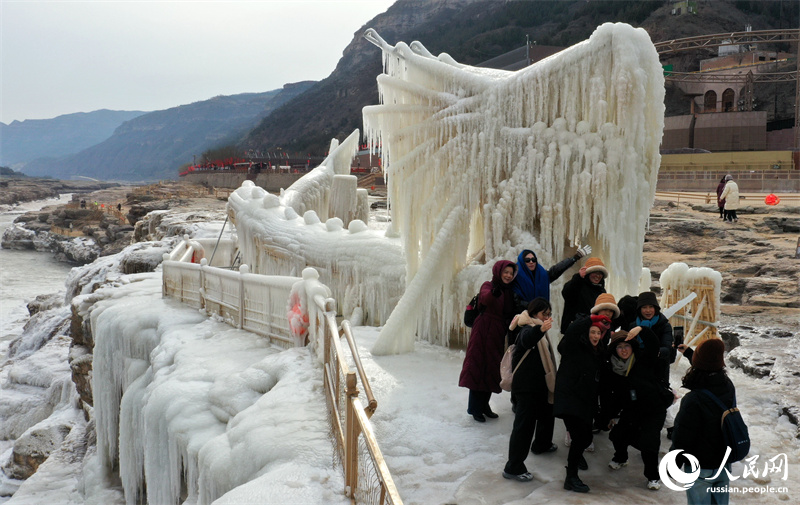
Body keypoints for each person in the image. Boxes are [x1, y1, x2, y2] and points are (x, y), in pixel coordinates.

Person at [599, 328, 673, 491]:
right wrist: (610, 416)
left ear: (633, 347)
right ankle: (621, 457)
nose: (624, 350)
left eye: (627, 346)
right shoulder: (613, 368)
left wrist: (642, 329)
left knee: (649, 444)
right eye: (619, 347)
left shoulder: (643, 360)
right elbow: (611, 395)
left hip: (654, 409)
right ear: (614, 350)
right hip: (632, 410)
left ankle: (653, 477)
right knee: (617, 435)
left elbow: (653, 345)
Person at [671, 338, 736, 505]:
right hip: (723, 462)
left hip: (700, 465)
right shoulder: (728, 386)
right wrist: (689, 352)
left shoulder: (694, 398)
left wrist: (674, 463)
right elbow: (708, 364)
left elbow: (683, 435)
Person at [554, 313, 611, 493]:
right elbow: (571, 331)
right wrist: (592, 317)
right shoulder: (574, 347)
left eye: (598, 333)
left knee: (585, 437)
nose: (595, 336)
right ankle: (571, 477)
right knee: (580, 437)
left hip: (585, 402)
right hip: (570, 399)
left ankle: (574, 463)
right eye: (592, 332)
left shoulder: (599, 352)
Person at [502, 298, 558, 482]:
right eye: (544, 314)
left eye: (549, 314)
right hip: (526, 388)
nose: (547, 317)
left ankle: (541, 444)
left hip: (537, 385)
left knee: (546, 414)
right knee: (523, 427)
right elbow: (526, 340)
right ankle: (513, 467)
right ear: (534, 313)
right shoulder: (526, 327)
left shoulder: (535, 326)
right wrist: (540, 329)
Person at [459, 260, 518, 423]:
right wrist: (494, 292)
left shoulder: (509, 291)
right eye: (505, 272)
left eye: (511, 273)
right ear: (498, 272)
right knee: (478, 366)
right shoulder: (488, 285)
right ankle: (474, 408)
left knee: (491, 369)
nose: (508, 275)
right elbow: (485, 299)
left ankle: (485, 406)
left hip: (497, 333)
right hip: (483, 330)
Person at [511, 246, 591, 308]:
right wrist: (532, 307)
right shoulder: (516, 277)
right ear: (522, 262)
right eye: (527, 260)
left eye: (533, 259)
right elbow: (515, 300)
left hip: (541, 318)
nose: (531, 262)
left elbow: (556, 270)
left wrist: (575, 257)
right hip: (521, 320)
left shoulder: (542, 275)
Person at [629, 291, 673, 384]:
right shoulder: (633, 325)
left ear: (655, 308)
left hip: (658, 369)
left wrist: (654, 352)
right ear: (639, 309)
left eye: (651, 307)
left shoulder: (664, 325)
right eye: (644, 307)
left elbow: (667, 348)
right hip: (637, 368)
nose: (648, 310)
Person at [560, 257, 608, 330]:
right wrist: (578, 277)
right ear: (588, 273)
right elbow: (566, 293)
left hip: (593, 329)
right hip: (574, 329)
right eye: (595, 272)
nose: (598, 276)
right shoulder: (577, 283)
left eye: (600, 273)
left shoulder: (601, 291)